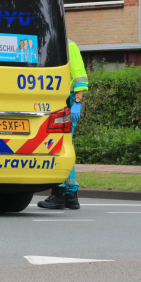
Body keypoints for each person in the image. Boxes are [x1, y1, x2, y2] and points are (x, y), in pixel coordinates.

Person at [38, 39, 88, 210]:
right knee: (62, 146)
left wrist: (78, 102)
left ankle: (60, 194)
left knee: (59, 146)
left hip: (66, 103)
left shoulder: (68, 45)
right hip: (56, 103)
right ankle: (70, 196)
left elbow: (79, 76)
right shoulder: (47, 44)